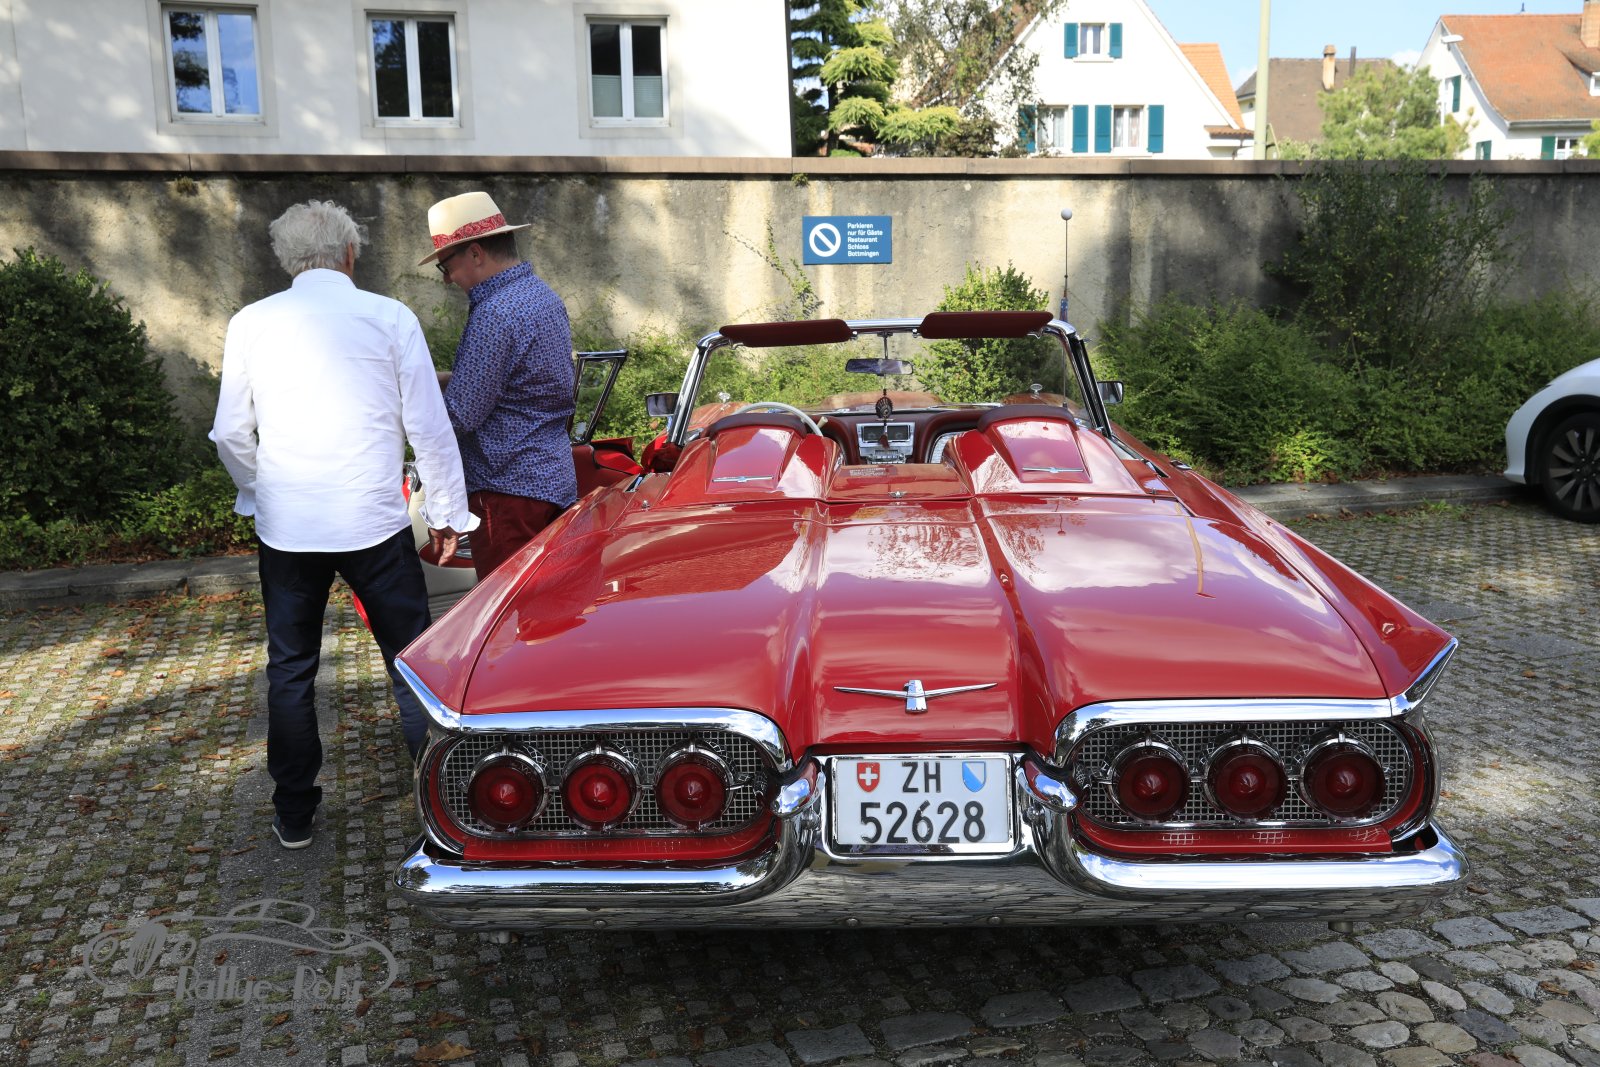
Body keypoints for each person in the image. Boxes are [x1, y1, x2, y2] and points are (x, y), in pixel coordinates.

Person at [211, 199, 476, 851]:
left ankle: (295, 812)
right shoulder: (389, 316)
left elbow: (230, 433)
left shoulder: (251, 322)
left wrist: (260, 493)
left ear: (287, 259)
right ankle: (448, 805)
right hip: (373, 521)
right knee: (411, 664)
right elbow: (428, 426)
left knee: (290, 668)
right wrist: (447, 513)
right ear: (349, 253)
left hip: (289, 528)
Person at [420, 191, 577, 580]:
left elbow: (459, 416)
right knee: (545, 603)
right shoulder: (542, 296)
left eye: (445, 266)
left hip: (506, 490)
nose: (448, 279)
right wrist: (439, 380)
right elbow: (519, 382)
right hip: (551, 478)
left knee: (507, 610)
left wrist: (402, 409)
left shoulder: (495, 313)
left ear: (475, 253)